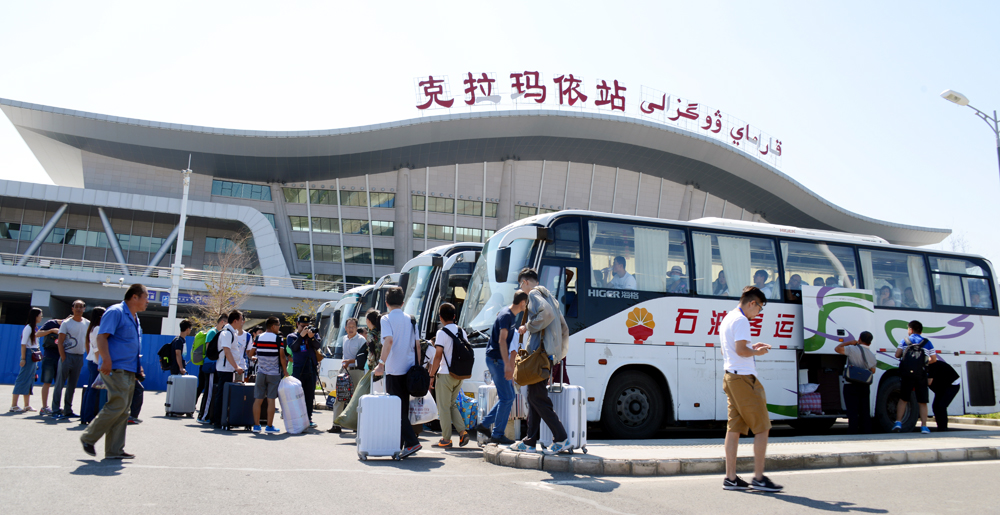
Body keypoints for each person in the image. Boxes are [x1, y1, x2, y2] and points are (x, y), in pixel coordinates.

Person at [720, 286, 782, 492]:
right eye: (760, 309)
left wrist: (753, 348)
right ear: (752, 303)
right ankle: (759, 478)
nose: (758, 314)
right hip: (743, 379)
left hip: (730, 376)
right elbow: (741, 350)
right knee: (763, 427)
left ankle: (730, 478)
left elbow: (738, 349)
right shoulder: (741, 320)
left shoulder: (728, 317)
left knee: (734, 428)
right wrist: (759, 352)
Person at [80, 283, 148, 459]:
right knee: (117, 404)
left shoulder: (134, 317)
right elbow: (102, 337)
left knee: (123, 409)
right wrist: (107, 360)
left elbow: (132, 345)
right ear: (134, 297)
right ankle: (88, 437)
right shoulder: (115, 312)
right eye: (146, 297)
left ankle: (114, 450)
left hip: (128, 369)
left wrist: (137, 366)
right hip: (115, 368)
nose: (147, 301)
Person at [509, 268, 572, 455]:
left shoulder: (535, 294)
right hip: (547, 354)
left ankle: (561, 438)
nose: (521, 288)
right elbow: (562, 326)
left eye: (521, 284)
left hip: (539, 354)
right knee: (534, 397)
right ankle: (530, 440)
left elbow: (546, 315)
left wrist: (526, 326)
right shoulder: (550, 296)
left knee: (538, 398)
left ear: (525, 282)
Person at [371, 287, 422, 458]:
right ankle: (401, 445)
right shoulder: (411, 319)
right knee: (403, 409)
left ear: (386, 303)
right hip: (409, 370)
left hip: (394, 370)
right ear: (403, 302)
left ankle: (412, 443)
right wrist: (419, 367)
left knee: (396, 411)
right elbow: (417, 345)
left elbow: (389, 341)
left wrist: (381, 364)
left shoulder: (386, 319)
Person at [476, 290, 529, 445]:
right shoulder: (507, 316)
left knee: (509, 396)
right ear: (522, 303)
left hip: (496, 360)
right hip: (497, 360)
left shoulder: (509, 315)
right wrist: (507, 365)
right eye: (527, 303)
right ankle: (497, 433)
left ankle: (485, 425)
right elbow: (502, 340)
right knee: (507, 398)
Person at [428, 303, 472, 448]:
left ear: (440, 318)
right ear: (454, 316)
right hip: (458, 375)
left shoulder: (441, 333)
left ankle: (446, 439)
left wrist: (431, 375)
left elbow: (438, 356)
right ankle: (462, 432)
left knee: (444, 407)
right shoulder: (461, 331)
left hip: (445, 375)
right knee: (451, 405)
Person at [893, 320, 937, 434]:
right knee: (922, 401)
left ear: (910, 330)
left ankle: (898, 422)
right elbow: (934, 359)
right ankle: (924, 426)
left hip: (907, 374)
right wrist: (923, 363)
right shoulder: (927, 342)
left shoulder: (905, 341)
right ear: (921, 331)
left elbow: (897, 355)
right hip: (921, 375)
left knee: (903, 399)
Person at [52, 300, 90, 419]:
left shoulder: (87, 323)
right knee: (59, 384)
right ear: (72, 308)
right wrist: (63, 357)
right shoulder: (66, 323)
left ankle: (68, 410)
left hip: (79, 357)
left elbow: (88, 340)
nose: (79, 309)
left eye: (81, 307)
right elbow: (60, 342)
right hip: (67, 356)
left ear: (84, 309)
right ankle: (56, 409)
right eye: (76, 307)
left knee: (72, 385)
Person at [248, 316, 286, 434]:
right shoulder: (278, 339)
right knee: (271, 400)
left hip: (261, 372)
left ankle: (256, 425)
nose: (279, 327)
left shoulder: (258, 337)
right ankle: (269, 426)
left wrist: (256, 357)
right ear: (273, 326)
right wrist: (285, 370)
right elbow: (282, 356)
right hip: (274, 373)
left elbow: (251, 353)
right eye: (278, 325)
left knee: (258, 399)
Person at [329, 317, 365, 433]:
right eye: (349, 327)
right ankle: (336, 425)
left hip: (356, 371)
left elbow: (362, 359)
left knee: (355, 399)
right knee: (340, 396)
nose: (351, 329)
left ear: (356, 328)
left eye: (353, 327)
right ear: (345, 328)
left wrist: (351, 361)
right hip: (344, 370)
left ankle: (356, 425)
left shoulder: (361, 340)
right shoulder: (344, 338)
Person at [835, 331, 877, 434]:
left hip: (851, 384)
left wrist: (849, 342)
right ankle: (866, 430)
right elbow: (873, 371)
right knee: (864, 410)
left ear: (859, 339)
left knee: (852, 410)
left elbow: (837, 349)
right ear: (870, 343)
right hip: (864, 385)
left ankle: (853, 430)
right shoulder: (872, 355)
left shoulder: (852, 349)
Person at [210, 310, 246, 428]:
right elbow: (226, 351)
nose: (242, 322)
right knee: (222, 394)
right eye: (241, 320)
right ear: (235, 321)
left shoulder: (232, 332)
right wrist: (236, 367)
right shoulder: (227, 333)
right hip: (225, 369)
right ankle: (218, 420)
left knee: (225, 394)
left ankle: (223, 419)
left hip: (229, 369)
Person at [286, 315, 321, 428]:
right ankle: (296, 418)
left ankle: (308, 418)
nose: (306, 328)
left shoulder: (313, 334)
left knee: (310, 395)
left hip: (311, 367)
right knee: (296, 394)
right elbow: (294, 348)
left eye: (307, 326)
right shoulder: (292, 336)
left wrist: (311, 337)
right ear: (298, 324)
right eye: (303, 326)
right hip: (298, 368)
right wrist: (301, 337)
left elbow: (318, 345)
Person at [11, 308, 43, 413]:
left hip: (34, 354)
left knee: (30, 379)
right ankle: (14, 405)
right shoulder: (28, 328)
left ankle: (26, 405)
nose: (41, 317)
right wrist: (23, 358)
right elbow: (23, 344)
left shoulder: (35, 328)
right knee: (22, 378)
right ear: (35, 316)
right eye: (40, 315)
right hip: (29, 354)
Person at [197, 315, 227, 423]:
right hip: (210, 365)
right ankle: (203, 416)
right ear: (222, 322)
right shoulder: (212, 332)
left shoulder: (218, 333)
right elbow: (209, 349)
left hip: (215, 366)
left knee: (212, 391)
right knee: (209, 392)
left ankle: (209, 415)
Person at [78, 307, 106, 425]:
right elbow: (96, 348)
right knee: (93, 390)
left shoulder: (92, 328)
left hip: (92, 361)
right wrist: (100, 363)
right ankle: (88, 416)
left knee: (90, 389)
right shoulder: (98, 328)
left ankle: (85, 416)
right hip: (95, 362)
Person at [36, 317, 62, 416]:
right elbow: (37, 334)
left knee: (59, 384)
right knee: (47, 383)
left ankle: (56, 407)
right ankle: (44, 407)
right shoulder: (51, 323)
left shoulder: (70, 325)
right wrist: (51, 330)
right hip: (49, 357)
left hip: (62, 357)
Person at [928, 357, 961, 431]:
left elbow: (929, 382)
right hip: (942, 386)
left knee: (941, 406)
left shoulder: (932, 365)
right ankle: (941, 427)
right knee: (936, 406)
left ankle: (943, 428)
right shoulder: (928, 365)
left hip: (952, 385)